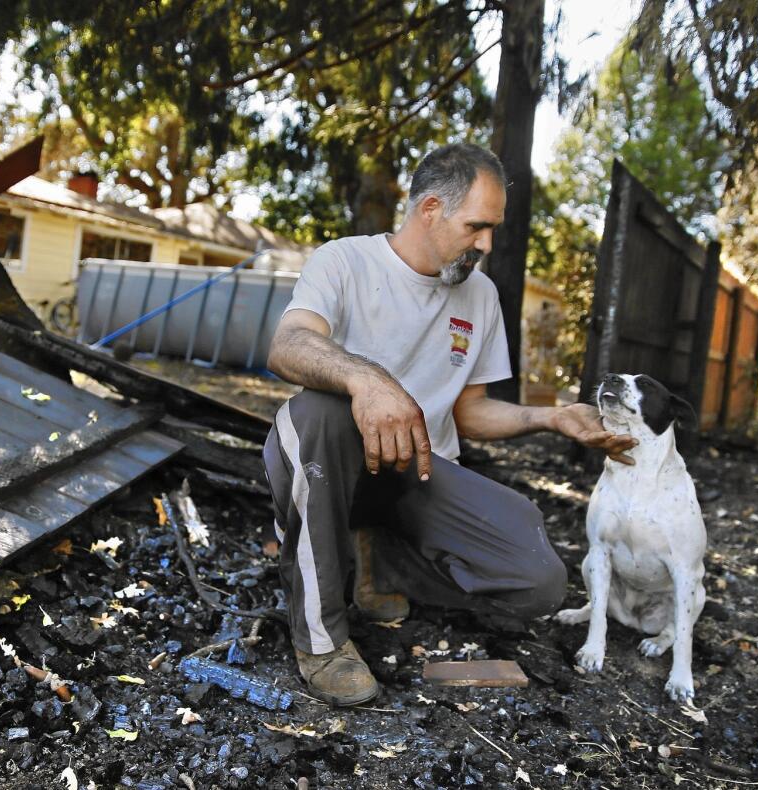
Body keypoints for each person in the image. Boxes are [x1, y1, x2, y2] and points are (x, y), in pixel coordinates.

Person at [262, 143, 636, 706]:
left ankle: (378, 559)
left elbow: (470, 412)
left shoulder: (480, 295)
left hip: (419, 471)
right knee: (314, 411)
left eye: (493, 230)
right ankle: (321, 639)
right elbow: (287, 346)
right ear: (431, 208)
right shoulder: (345, 261)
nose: (487, 244)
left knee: (539, 579)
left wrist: (552, 417)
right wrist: (368, 381)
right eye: (477, 227)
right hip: (332, 466)